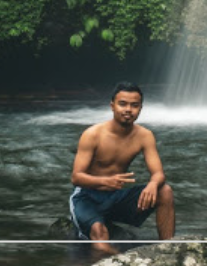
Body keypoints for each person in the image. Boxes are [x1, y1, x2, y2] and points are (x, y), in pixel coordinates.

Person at [69, 81, 175, 254]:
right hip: (87, 198)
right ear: (112, 106)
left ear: (140, 108)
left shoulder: (144, 136)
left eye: (134, 105)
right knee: (100, 235)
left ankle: (169, 251)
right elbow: (76, 177)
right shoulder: (93, 135)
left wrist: (153, 185)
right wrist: (105, 180)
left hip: (116, 197)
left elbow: (158, 173)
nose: (128, 109)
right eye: (123, 104)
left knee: (165, 192)